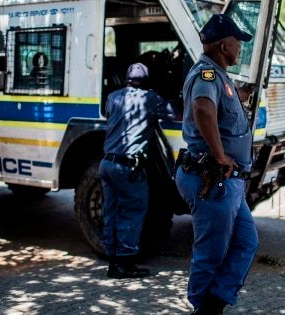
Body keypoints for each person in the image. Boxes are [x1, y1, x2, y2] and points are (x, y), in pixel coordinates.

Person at [175, 14, 258, 314]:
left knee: (247, 242)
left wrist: (242, 94)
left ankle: (213, 304)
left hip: (229, 181)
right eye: (238, 43)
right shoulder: (206, 75)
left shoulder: (220, 77)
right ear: (225, 45)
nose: (240, 49)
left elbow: (221, 106)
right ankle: (202, 307)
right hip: (213, 178)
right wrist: (221, 155)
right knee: (210, 253)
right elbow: (202, 108)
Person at [100, 62, 176, 279]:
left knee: (111, 211)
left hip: (107, 164)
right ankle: (125, 264)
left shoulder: (113, 97)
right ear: (146, 81)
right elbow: (173, 114)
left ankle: (112, 262)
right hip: (127, 167)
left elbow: (109, 115)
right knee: (132, 212)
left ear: (126, 78)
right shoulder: (150, 99)